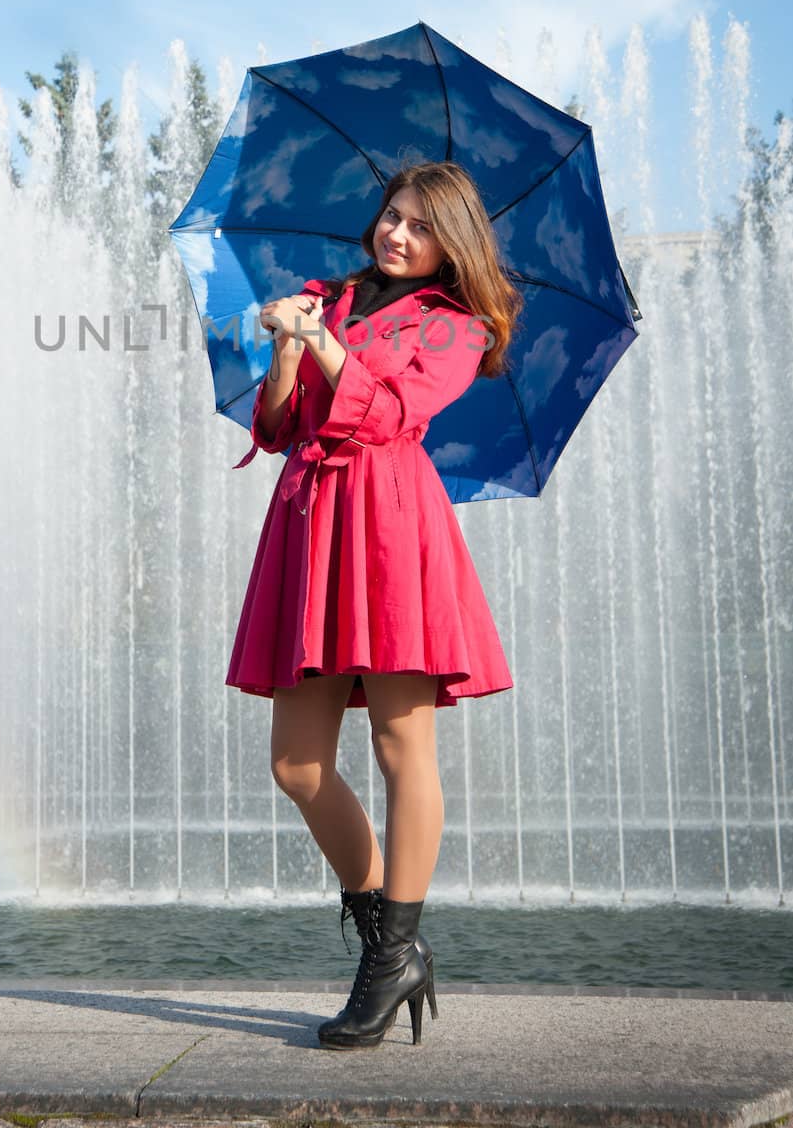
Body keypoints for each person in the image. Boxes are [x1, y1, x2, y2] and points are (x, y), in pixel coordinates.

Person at [227, 158, 524, 1050]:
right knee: (295, 763)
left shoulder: (457, 327)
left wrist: (319, 343)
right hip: (313, 523)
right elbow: (281, 427)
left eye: (421, 225)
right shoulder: (336, 300)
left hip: (391, 522)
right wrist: (287, 345)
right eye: (392, 216)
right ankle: (389, 945)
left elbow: (391, 413)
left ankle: (388, 953)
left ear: (451, 243)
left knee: (402, 744)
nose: (397, 234)